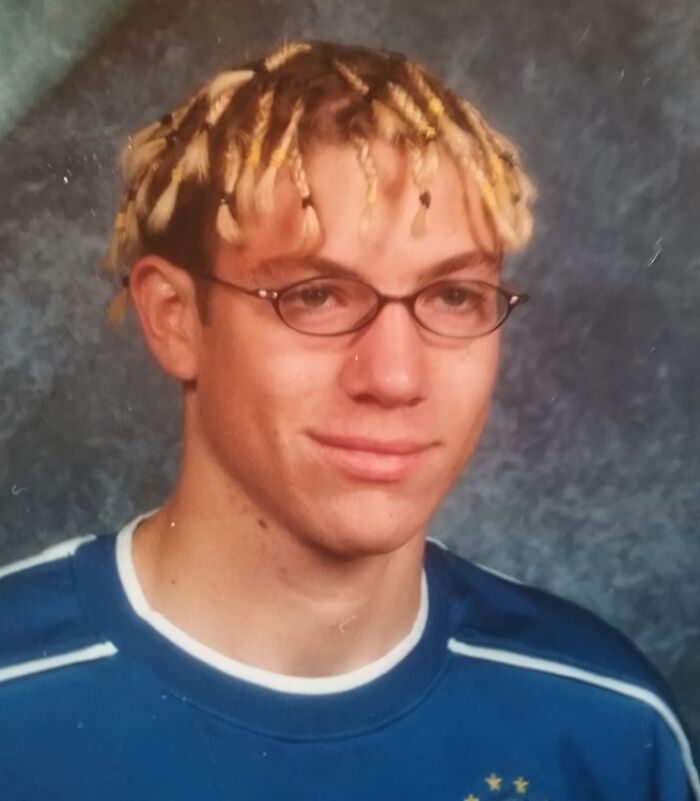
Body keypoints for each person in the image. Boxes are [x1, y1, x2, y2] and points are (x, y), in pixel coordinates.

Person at [0, 38, 697, 800]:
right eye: (317, 295)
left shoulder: (608, 726)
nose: (395, 377)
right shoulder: (17, 691)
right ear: (173, 318)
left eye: (453, 296)